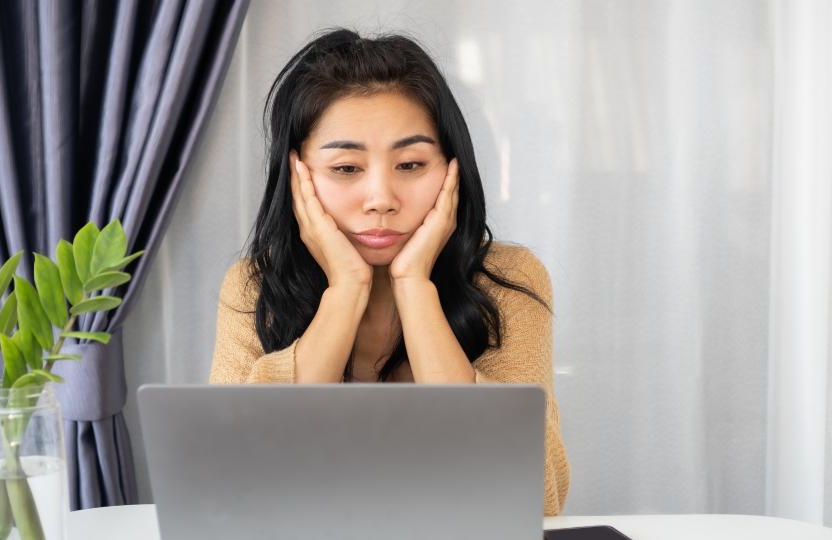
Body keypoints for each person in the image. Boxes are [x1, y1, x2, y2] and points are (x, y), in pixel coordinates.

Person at [208, 27, 570, 516]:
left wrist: (414, 286)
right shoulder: (254, 286)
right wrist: (346, 290)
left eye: (411, 164)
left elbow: (536, 496)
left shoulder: (510, 280)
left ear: (451, 169)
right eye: (346, 169)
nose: (381, 199)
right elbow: (229, 485)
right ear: (297, 176)